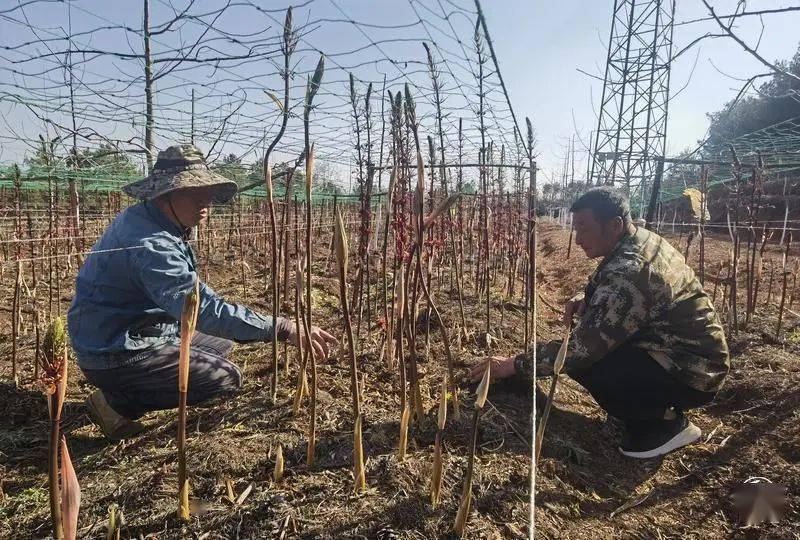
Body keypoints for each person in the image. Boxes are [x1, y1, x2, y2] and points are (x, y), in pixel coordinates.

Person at [68, 144, 337, 440]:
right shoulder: (151, 243)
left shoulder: (148, 218)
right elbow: (203, 310)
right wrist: (284, 328)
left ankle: (130, 387)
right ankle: (114, 403)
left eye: (207, 192)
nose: (205, 202)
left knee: (221, 346)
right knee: (225, 378)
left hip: (132, 329)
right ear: (165, 193)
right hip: (116, 350)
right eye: (194, 193)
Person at [472, 187, 729, 459]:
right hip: (683, 355)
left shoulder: (631, 270)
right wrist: (588, 297)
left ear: (614, 225)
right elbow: (626, 292)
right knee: (590, 339)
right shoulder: (637, 241)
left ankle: (661, 424)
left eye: (584, 228)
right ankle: (645, 406)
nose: (578, 238)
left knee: (589, 362)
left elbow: (581, 349)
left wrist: (515, 365)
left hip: (693, 374)